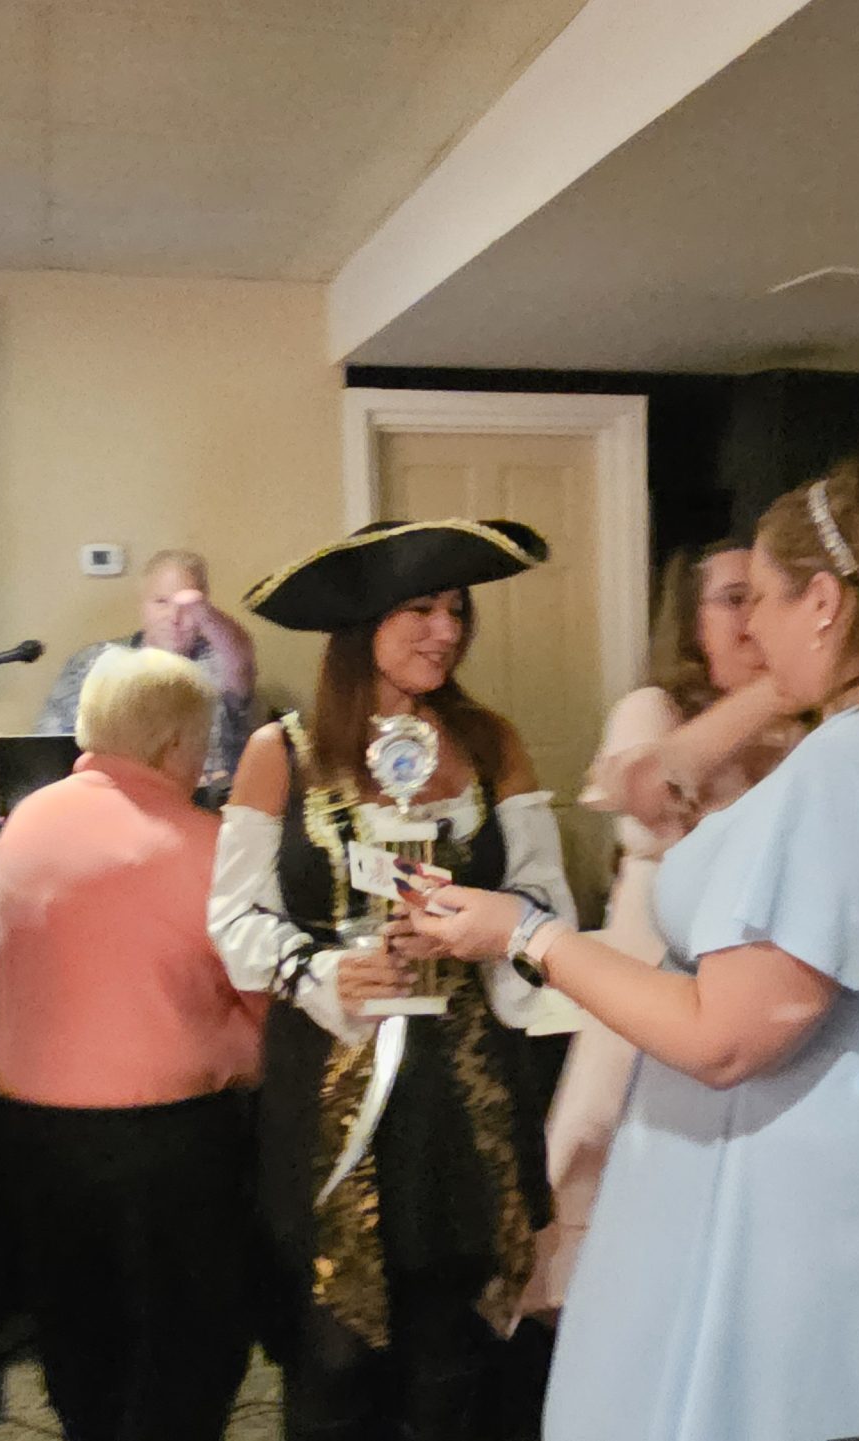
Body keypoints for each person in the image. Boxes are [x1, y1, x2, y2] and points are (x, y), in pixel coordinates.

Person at [416, 452, 859, 1441]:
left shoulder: (847, 770)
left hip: (813, 1160)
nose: (752, 629)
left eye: (767, 600)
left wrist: (525, 932)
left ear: (824, 603)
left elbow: (726, 1036)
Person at [206, 518, 575, 1441]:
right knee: (333, 1351)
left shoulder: (490, 743)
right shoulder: (281, 753)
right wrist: (323, 970)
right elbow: (235, 918)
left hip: (464, 1093)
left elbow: (544, 900)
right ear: (361, 622)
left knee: (456, 1345)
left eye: (456, 609)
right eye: (420, 608)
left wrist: (485, 930)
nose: (446, 630)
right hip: (328, 1092)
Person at [0, 645, 268, 1441]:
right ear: (175, 744)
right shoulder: (205, 843)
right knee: (188, 1350)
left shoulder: (26, 821)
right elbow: (266, 998)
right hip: (166, 1141)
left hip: (32, 1132)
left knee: (81, 1340)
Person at [527, 540, 791, 1313]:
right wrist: (774, 691)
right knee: (620, 1198)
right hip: (648, 994)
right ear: (690, 619)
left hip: (757, 996)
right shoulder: (653, 711)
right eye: (733, 598)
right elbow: (652, 806)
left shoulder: (811, 727)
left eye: (763, 595)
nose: (752, 617)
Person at [39, 548, 258, 805]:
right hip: (107, 803)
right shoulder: (92, 662)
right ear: (142, 604)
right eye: (161, 602)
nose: (174, 617)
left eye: (187, 608)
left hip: (205, 805)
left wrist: (206, 615)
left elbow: (240, 655)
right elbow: (48, 750)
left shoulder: (218, 659)